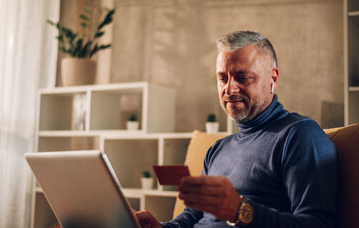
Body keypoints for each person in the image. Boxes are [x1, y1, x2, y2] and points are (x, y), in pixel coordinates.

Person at [134, 31, 338, 228]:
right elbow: (192, 216)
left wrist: (241, 211)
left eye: (243, 77)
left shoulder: (299, 135)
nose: (229, 89)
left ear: (272, 80)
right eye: (223, 78)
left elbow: (320, 224)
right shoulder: (218, 148)